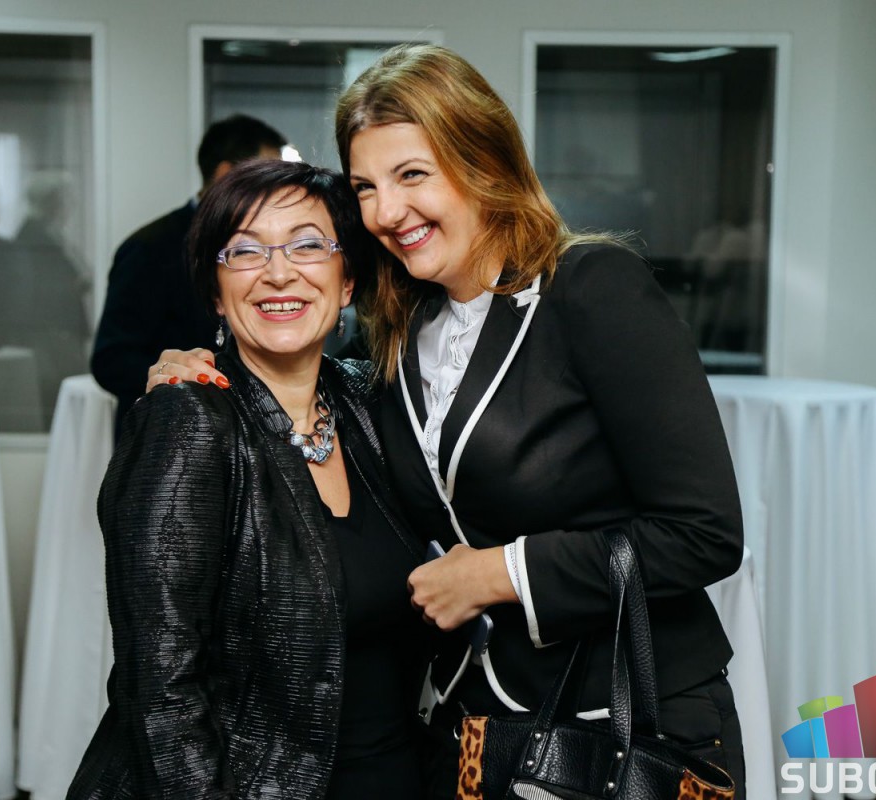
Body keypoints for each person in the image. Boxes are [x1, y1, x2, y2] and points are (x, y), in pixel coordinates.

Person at [145, 44, 747, 799]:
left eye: (412, 175)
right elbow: (296, 386)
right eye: (365, 187)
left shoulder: (591, 290)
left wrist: (497, 575)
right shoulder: (398, 332)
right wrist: (204, 373)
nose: (385, 213)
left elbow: (704, 532)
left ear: (482, 162)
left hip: (620, 723)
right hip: (475, 729)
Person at [68, 159, 427, 799]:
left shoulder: (371, 402)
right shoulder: (188, 423)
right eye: (245, 251)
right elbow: (161, 690)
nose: (279, 272)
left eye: (308, 245)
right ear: (215, 291)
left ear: (348, 280)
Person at [90, 114, 288, 441]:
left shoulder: (261, 247)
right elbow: (111, 360)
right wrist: (184, 378)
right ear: (225, 174)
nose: (273, 191)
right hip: (166, 435)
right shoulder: (151, 248)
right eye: (263, 178)